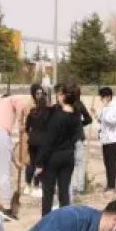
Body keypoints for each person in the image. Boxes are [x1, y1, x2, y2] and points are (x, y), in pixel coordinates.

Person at [37, 81, 84, 215]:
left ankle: (46, 221)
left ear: (63, 96)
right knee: (64, 192)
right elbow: (77, 135)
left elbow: (48, 141)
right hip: (69, 156)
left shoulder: (57, 117)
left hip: (53, 157)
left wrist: (39, 162)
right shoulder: (76, 115)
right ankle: (65, 219)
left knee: (48, 192)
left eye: (59, 94)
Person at [94, 87, 116, 194]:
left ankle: (112, 186)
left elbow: (112, 120)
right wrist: (96, 114)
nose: (101, 99)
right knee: (106, 162)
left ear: (108, 97)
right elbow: (100, 119)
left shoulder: (115, 106)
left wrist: (103, 115)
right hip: (105, 139)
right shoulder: (106, 106)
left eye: (102, 97)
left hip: (114, 139)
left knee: (111, 162)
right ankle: (108, 184)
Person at [23, 83, 51, 196]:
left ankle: (27, 185)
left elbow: (26, 127)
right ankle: (36, 185)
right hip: (42, 142)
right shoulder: (48, 113)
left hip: (32, 140)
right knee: (40, 164)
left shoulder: (32, 112)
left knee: (31, 163)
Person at [67, 86, 94, 202]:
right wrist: (80, 124)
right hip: (77, 137)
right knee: (79, 162)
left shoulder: (67, 105)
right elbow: (89, 119)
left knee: (71, 162)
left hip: (68, 138)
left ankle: (72, 185)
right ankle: (80, 186)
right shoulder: (79, 104)